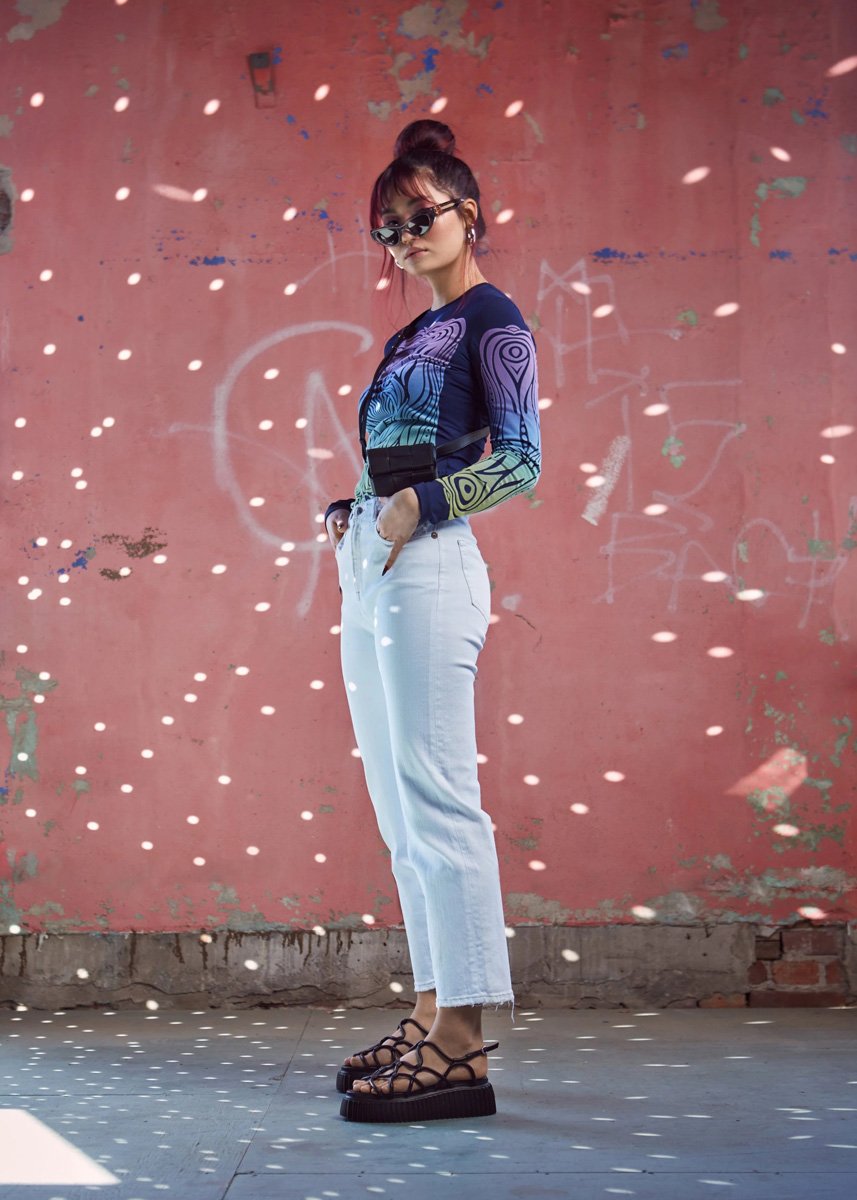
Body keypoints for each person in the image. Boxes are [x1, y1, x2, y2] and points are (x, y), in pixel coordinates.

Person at [324, 119, 541, 1123]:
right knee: (398, 808)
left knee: (438, 799)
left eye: (422, 216)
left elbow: (521, 458)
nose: (406, 236)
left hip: (428, 564)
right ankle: (429, 1006)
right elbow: (402, 444)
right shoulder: (411, 334)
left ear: (469, 214)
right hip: (371, 560)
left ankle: (462, 1042)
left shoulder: (494, 320)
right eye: (389, 227)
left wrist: (421, 507)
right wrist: (361, 505)